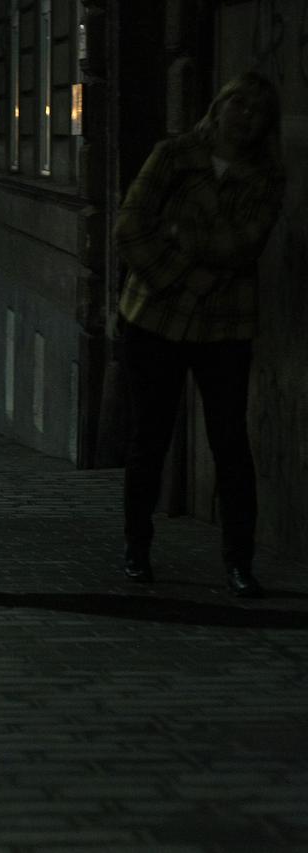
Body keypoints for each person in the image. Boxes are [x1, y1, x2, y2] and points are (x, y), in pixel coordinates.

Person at [114, 72, 285, 598]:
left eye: (257, 110)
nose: (245, 116)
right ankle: (136, 548)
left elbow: (245, 246)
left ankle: (239, 560)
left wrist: (182, 235)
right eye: (237, 103)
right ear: (218, 105)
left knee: (230, 444)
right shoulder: (172, 155)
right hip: (155, 318)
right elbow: (130, 226)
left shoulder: (266, 177)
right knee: (150, 437)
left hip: (223, 325)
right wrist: (180, 273)